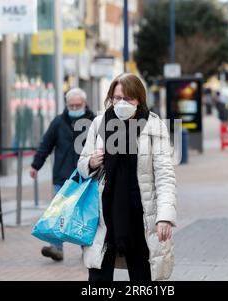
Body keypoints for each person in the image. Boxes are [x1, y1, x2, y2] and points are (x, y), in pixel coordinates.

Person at [77, 73, 177, 281]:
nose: (121, 103)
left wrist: (165, 216)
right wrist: (91, 163)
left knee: (142, 276)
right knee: (98, 278)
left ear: (139, 99)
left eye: (128, 98)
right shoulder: (99, 123)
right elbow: (82, 164)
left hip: (139, 218)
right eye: (117, 98)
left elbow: (165, 175)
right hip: (104, 216)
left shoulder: (154, 126)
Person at [30, 88, 95, 261]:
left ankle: (86, 247)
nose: (74, 108)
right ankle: (56, 248)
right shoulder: (58, 122)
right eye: (71, 105)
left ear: (84, 104)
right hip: (62, 176)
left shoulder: (94, 122)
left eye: (78, 105)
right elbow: (46, 144)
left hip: (86, 176)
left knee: (84, 214)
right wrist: (35, 165)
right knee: (58, 213)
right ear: (66, 105)